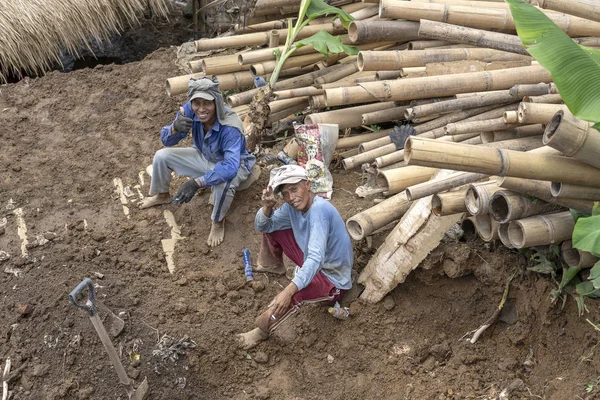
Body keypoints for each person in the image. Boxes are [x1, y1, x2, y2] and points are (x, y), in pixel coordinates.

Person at [237, 165, 353, 349]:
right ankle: (273, 265)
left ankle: (262, 330)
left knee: (291, 296)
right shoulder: (292, 208)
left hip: (333, 281)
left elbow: (315, 259)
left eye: (294, 189)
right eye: (285, 193)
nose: (290, 198)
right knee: (272, 227)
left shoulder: (319, 211)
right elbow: (263, 226)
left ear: (307, 185)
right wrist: (267, 207)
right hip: (316, 263)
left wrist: (288, 291)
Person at [140, 77, 256, 247]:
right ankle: (162, 195)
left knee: (224, 184)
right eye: (197, 103)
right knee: (162, 156)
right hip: (205, 156)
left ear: (216, 102)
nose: (201, 109)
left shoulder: (230, 126)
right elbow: (167, 141)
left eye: (207, 103)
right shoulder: (188, 111)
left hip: (234, 164)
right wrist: (174, 128)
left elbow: (230, 167)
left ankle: (217, 221)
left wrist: (197, 183)